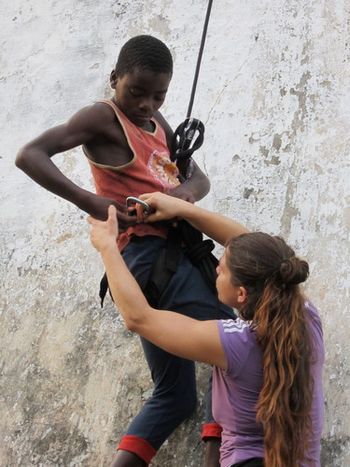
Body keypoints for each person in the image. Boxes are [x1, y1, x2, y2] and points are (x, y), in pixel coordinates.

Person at [16, 35, 234, 466]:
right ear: (114, 78)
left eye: (158, 95)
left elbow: (199, 180)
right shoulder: (102, 117)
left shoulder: (159, 123)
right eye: (136, 91)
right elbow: (30, 155)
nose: (147, 104)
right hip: (149, 260)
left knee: (174, 397)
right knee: (236, 346)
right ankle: (220, 459)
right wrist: (91, 201)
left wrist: (180, 196)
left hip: (171, 256)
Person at [88, 192, 325, 467]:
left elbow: (139, 318)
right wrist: (183, 209)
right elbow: (261, 255)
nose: (215, 271)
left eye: (222, 270)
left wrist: (107, 246)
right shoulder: (307, 317)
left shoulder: (234, 344)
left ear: (241, 294)